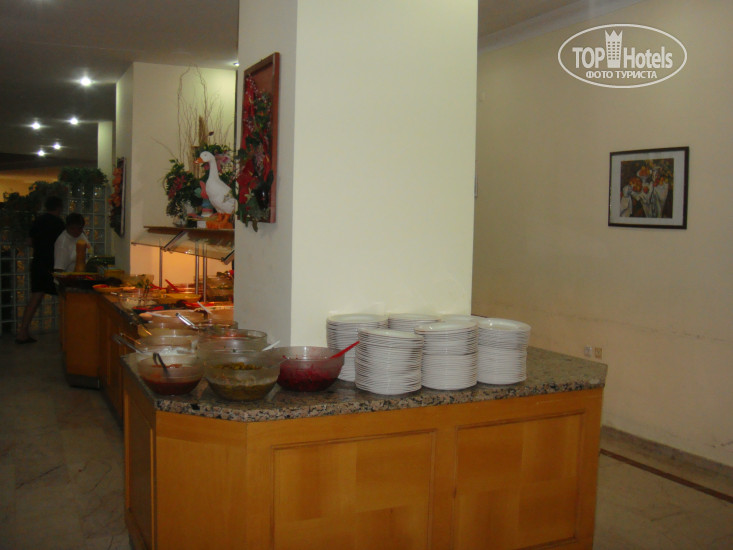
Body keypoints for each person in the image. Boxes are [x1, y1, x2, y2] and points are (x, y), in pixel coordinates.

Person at [16, 195, 65, 344]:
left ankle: (23, 331)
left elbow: (29, 241)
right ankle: (67, 333)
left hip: (38, 262)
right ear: (59, 208)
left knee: (35, 297)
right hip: (53, 264)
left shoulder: (38, 221)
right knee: (64, 297)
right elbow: (63, 244)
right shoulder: (59, 224)